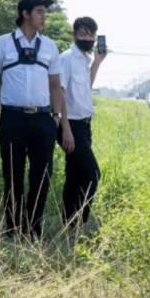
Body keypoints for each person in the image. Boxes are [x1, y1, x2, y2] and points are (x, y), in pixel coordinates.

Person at [0, 0, 68, 238]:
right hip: (11, 119)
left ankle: (33, 229)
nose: (44, 16)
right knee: (12, 175)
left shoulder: (50, 46)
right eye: (40, 11)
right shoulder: (2, 43)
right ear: (25, 14)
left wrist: (57, 116)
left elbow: (55, 85)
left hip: (43, 120)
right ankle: (13, 229)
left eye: (44, 12)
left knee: (41, 176)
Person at [58, 16, 107, 225]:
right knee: (92, 173)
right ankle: (79, 221)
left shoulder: (86, 60)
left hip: (85, 125)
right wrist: (66, 129)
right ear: (74, 35)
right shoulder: (66, 59)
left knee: (75, 175)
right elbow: (59, 94)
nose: (87, 38)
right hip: (71, 126)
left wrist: (97, 62)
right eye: (83, 34)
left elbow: (84, 88)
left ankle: (69, 225)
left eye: (91, 35)